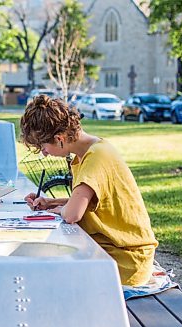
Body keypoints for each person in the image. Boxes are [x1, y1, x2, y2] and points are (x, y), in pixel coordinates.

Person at [20, 95, 158, 286]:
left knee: (46, 272)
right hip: (113, 251)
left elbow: (73, 214)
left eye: (43, 146)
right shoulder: (89, 152)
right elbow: (89, 202)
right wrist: (51, 203)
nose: (44, 152)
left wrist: (61, 209)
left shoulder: (96, 157)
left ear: (59, 139)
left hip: (125, 260)